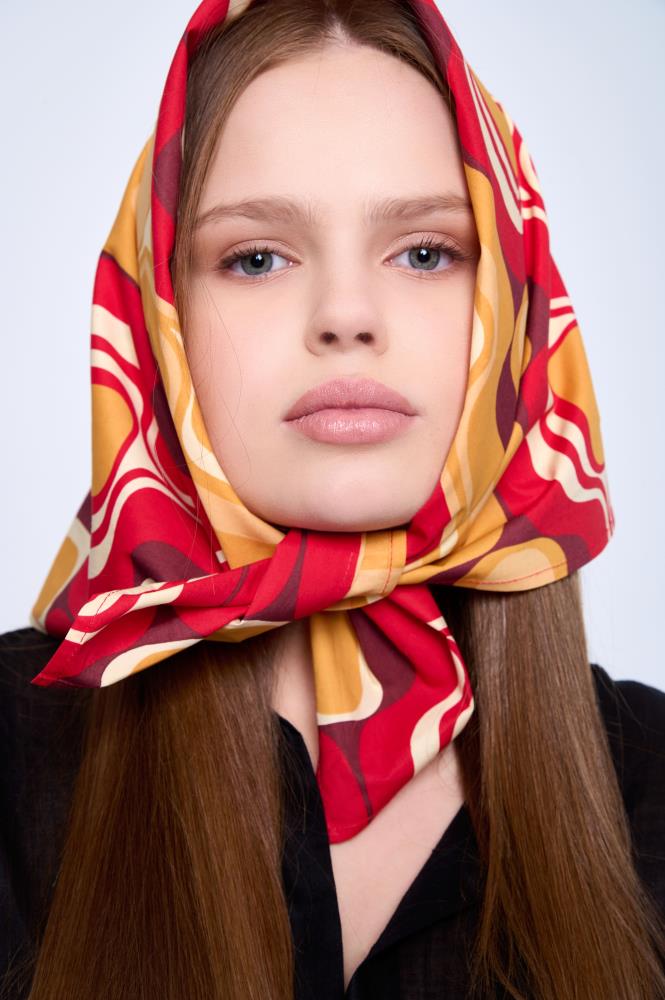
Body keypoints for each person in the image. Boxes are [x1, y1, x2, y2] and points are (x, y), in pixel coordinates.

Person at [1, 0, 664, 998]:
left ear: (515, 304)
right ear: (158, 316)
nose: (347, 316)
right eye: (256, 257)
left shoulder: (653, 782)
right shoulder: (13, 754)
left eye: (426, 252)